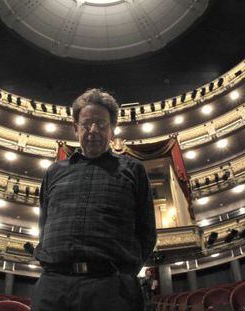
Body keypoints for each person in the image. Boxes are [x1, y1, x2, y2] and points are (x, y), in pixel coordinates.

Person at [32, 88, 157, 311]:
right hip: (53, 287)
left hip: (111, 288)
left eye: (101, 124)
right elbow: (44, 224)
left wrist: (124, 272)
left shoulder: (133, 169)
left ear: (112, 129)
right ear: (75, 128)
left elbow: (147, 232)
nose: (93, 130)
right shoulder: (54, 171)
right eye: (86, 124)